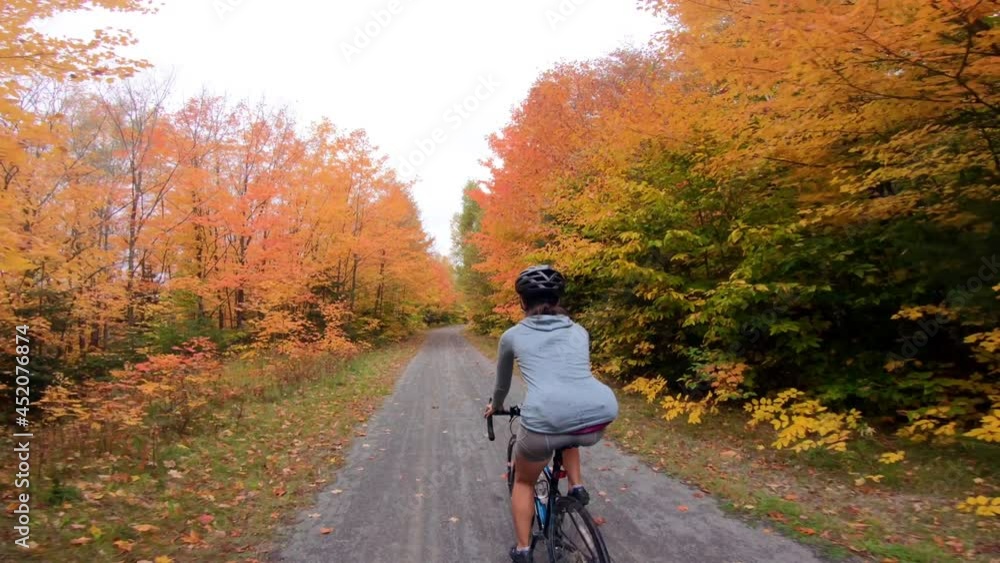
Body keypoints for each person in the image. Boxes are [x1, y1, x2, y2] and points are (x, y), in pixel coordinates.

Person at [484, 264, 619, 563]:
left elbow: (502, 385)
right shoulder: (580, 332)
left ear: (523, 301)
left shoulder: (512, 336)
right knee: (569, 431)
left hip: (546, 417)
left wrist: (496, 405)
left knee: (523, 481)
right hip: (600, 411)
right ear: (558, 299)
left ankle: (523, 550)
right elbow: (571, 378)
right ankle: (577, 486)